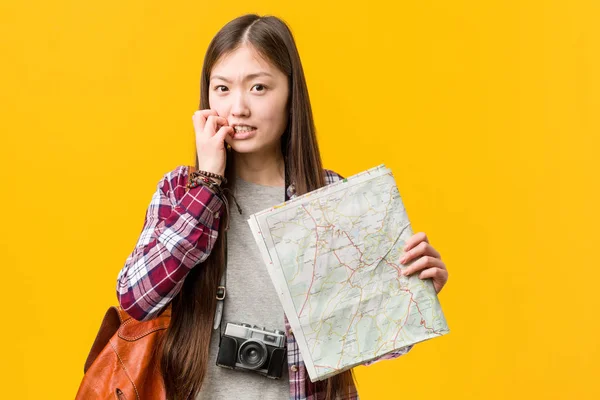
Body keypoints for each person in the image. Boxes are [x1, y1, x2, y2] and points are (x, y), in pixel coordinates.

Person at [116, 13, 449, 400]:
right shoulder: (180, 191)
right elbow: (137, 299)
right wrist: (206, 185)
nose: (238, 108)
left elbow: (365, 342)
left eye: (258, 87)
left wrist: (411, 297)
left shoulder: (329, 197)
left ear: (291, 94)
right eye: (222, 88)